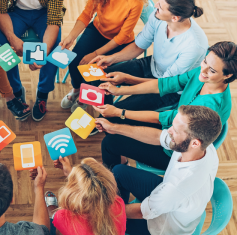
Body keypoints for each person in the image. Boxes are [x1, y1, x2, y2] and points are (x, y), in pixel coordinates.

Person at [96, 41, 236, 170]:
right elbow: (165, 84)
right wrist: (123, 86)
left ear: (227, 75)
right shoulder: (203, 74)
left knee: (110, 143)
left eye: (212, 70)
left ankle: (114, 182)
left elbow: (163, 119)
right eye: (204, 61)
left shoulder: (209, 108)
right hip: (172, 128)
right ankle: (120, 162)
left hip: (175, 150)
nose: (203, 69)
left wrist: (119, 113)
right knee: (115, 123)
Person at [101, 105, 222, 235]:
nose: (169, 131)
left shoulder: (177, 187)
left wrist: (103, 211)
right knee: (119, 171)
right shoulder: (205, 147)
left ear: (195, 143)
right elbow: (159, 136)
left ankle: (113, 213)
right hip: (172, 199)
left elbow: (141, 212)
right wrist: (114, 128)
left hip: (162, 228)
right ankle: (118, 206)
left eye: (175, 130)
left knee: (105, 220)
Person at [86, 0, 207, 112]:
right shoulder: (157, 16)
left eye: (160, 6)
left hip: (169, 89)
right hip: (153, 66)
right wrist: (111, 59)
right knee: (99, 78)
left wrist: (125, 82)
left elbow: (163, 85)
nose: (155, 6)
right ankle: (103, 114)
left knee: (117, 110)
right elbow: (139, 45)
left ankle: (104, 119)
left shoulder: (194, 46)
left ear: (174, 18)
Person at [60, 0, 147, 114]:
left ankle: (88, 98)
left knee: (96, 74)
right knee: (75, 60)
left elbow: (122, 37)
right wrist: (71, 37)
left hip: (118, 42)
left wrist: (95, 54)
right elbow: (87, 14)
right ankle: (77, 90)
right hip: (97, 30)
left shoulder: (135, 1)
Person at [0, 0, 65, 121]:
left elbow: (54, 19)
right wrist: (12, 38)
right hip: (16, 13)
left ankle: (42, 94)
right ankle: (16, 91)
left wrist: (41, 54)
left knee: (54, 48)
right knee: (2, 45)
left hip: (44, 14)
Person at [45, 157, 126, 235]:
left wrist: (39, 186)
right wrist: (73, 174)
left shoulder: (62, 216)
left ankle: (52, 214)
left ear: (72, 193)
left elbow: (60, 234)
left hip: (61, 222)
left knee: (52, 225)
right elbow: (96, 193)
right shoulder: (118, 203)